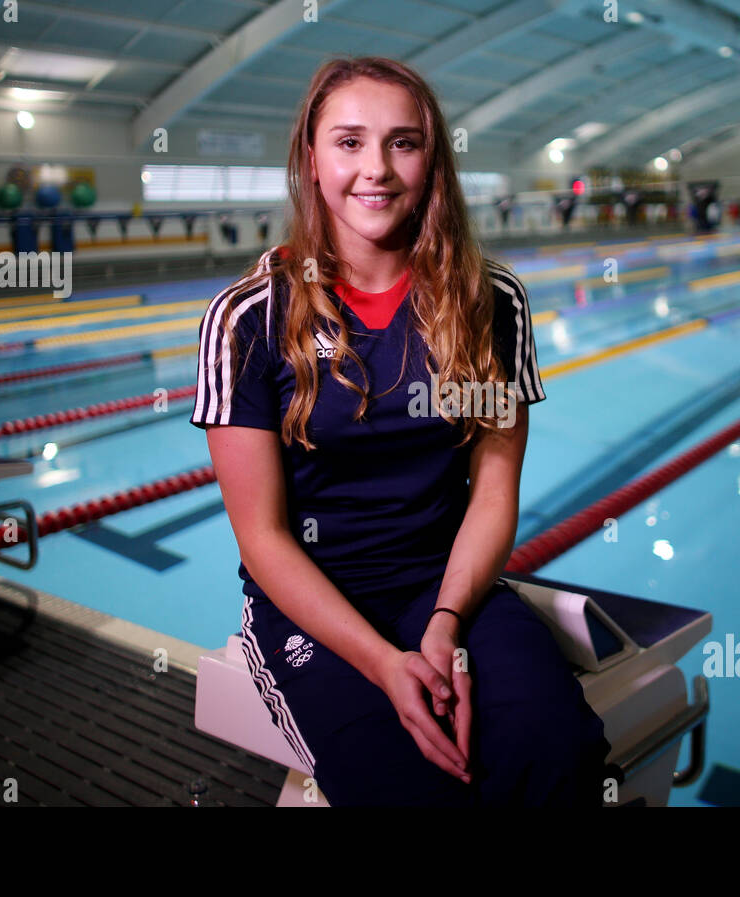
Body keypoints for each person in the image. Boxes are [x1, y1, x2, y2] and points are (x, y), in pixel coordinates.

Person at [190, 56, 611, 807]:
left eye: (403, 143)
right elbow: (262, 537)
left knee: (559, 749)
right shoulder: (248, 318)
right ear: (311, 159)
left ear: (432, 160)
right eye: (349, 142)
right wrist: (385, 663)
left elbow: (492, 495)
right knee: (409, 789)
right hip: (311, 608)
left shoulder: (492, 300)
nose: (376, 169)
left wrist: (447, 623)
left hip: (445, 589)